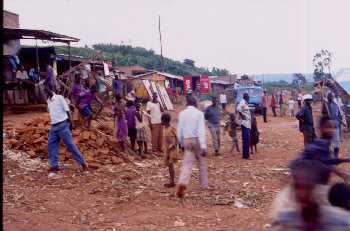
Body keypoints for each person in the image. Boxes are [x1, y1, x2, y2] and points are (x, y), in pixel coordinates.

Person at [270, 159, 350, 230]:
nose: (302, 194)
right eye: (297, 187)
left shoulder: (339, 221)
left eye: (307, 188)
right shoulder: (285, 221)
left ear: (316, 189)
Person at [44, 87, 88, 178]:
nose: (44, 94)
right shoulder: (48, 101)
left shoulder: (60, 98)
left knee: (70, 145)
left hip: (63, 125)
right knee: (51, 145)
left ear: (50, 90)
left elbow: (67, 110)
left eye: (45, 92)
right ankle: (54, 166)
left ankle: (83, 163)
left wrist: (71, 123)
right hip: (54, 126)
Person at [177, 95, 208, 198]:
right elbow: (201, 130)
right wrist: (203, 146)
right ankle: (204, 185)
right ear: (195, 103)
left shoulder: (182, 114)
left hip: (186, 139)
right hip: (196, 139)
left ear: (187, 103)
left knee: (187, 164)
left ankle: (183, 182)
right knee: (201, 163)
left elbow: (179, 130)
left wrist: (181, 143)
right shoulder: (199, 114)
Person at [322, 92, 342, 158]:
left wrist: (339, 121)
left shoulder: (336, 104)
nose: (331, 98)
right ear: (328, 97)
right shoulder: (325, 104)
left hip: (336, 125)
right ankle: (328, 155)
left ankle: (336, 156)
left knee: (336, 141)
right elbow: (323, 114)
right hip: (329, 125)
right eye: (330, 96)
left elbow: (339, 114)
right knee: (328, 141)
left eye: (332, 96)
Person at [161, 113, 179, 188]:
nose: (161, 121)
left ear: (164, 121)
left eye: (161, 120)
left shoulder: (171, 129)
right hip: (168, 149)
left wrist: (170, 150)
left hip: (172, 150)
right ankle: (171, 181)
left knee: (171, 166)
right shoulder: (165, 128)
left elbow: (174, 141)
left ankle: (172, 182)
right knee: (170, 166)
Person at [237, 93, 251, 159]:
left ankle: (244, 155)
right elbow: (238, 109)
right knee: (246, 140)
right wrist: (242, 116)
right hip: (245, 124)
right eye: (247, 97)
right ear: (245, 97)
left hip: (247, 124)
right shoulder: (242, 102)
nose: (248, 98)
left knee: (246, 140)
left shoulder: (245, 103)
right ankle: (246, 156)